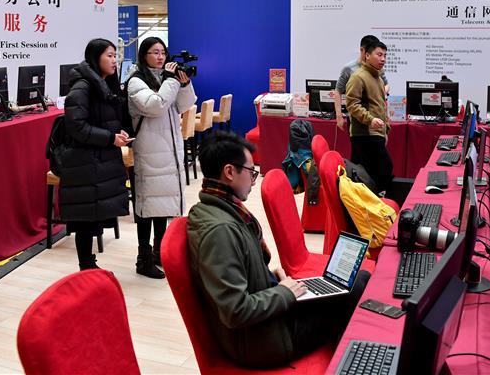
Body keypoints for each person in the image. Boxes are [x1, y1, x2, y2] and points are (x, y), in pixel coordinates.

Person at [187, 131, 369, 369]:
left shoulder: (218, 209)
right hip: (265, 341)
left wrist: (271, 279)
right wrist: (284, 293)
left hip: (268, 320)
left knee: (349, 284)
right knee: (355, 288)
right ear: (229, 172)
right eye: (251, 173)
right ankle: (351, 365)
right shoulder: (220, 231)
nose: (254, 181)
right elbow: (235, 310)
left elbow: (238, 274)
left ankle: (348, 358)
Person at [127, 36, 197, 278]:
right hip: (150, 151)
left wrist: (184, 84)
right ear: (144, 55)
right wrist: (170, 80)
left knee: (162, 205)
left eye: (163, 52)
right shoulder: (136, 81)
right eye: (155, 52)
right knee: (147, 207)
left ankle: (160, 251)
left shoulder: (163, 79)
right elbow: (155, 106)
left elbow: (183, 106)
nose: (160, 57)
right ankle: (143, 259)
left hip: (168, 149)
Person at [60, 38, 131, 271]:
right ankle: (86, 267)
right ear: (95, 57)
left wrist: (117, 133)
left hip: (99, 159)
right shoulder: (83, 87)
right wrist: (110, 138)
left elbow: (104, 120)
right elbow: (76, 126)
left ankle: (90, 266)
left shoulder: (104, 84)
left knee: (93, 217)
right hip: (84, 161)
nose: (114, 60)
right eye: (109, 55)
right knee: (85, 220)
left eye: (115, 55)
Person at [345, 39, 393, 193]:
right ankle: (370, 201)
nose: (383, 59)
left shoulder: (378, 78)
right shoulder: (358, 77)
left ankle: (373, 201)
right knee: (376, 171)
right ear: (367, 55)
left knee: (374, 173)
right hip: (364, 134)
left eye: (385, 55)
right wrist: (370, 120)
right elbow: (352, 104)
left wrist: (385, 130)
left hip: (376, 133)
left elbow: (380, 106)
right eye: (379, 55)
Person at [333, 34, 389, 131]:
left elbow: (386, 84)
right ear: (362, 50)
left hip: (377, 116)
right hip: (357, 119)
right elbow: (338, 91)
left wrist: (379, 94)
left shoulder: (377, 68)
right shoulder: (349, 69)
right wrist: (339, 116)